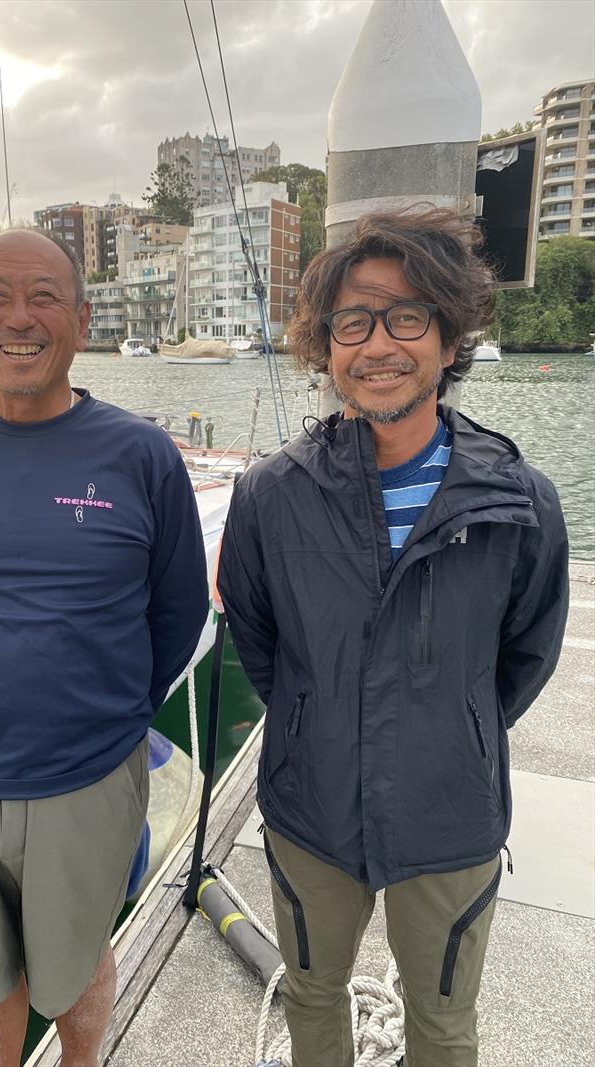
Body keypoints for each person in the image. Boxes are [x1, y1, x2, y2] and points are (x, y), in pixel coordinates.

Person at [217, 208, 569, 1067]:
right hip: (312, 807)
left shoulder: (521, 503)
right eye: (352, 321)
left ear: (451, 340)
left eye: (407, 317)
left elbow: (523, 656)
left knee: (444, 1027)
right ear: (324, 346)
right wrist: (313, 719)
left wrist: (452, 726)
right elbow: (261, 641)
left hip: (450, 812)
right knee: (311, 996)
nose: (379, 343)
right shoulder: (270, 495)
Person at [0, 226, 208, 1067]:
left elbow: (176, 616)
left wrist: (107, 720)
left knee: (75, 972)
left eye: (43, 296)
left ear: (82, 314)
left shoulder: (141, 456)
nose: (19, 317)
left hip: (89, 777)